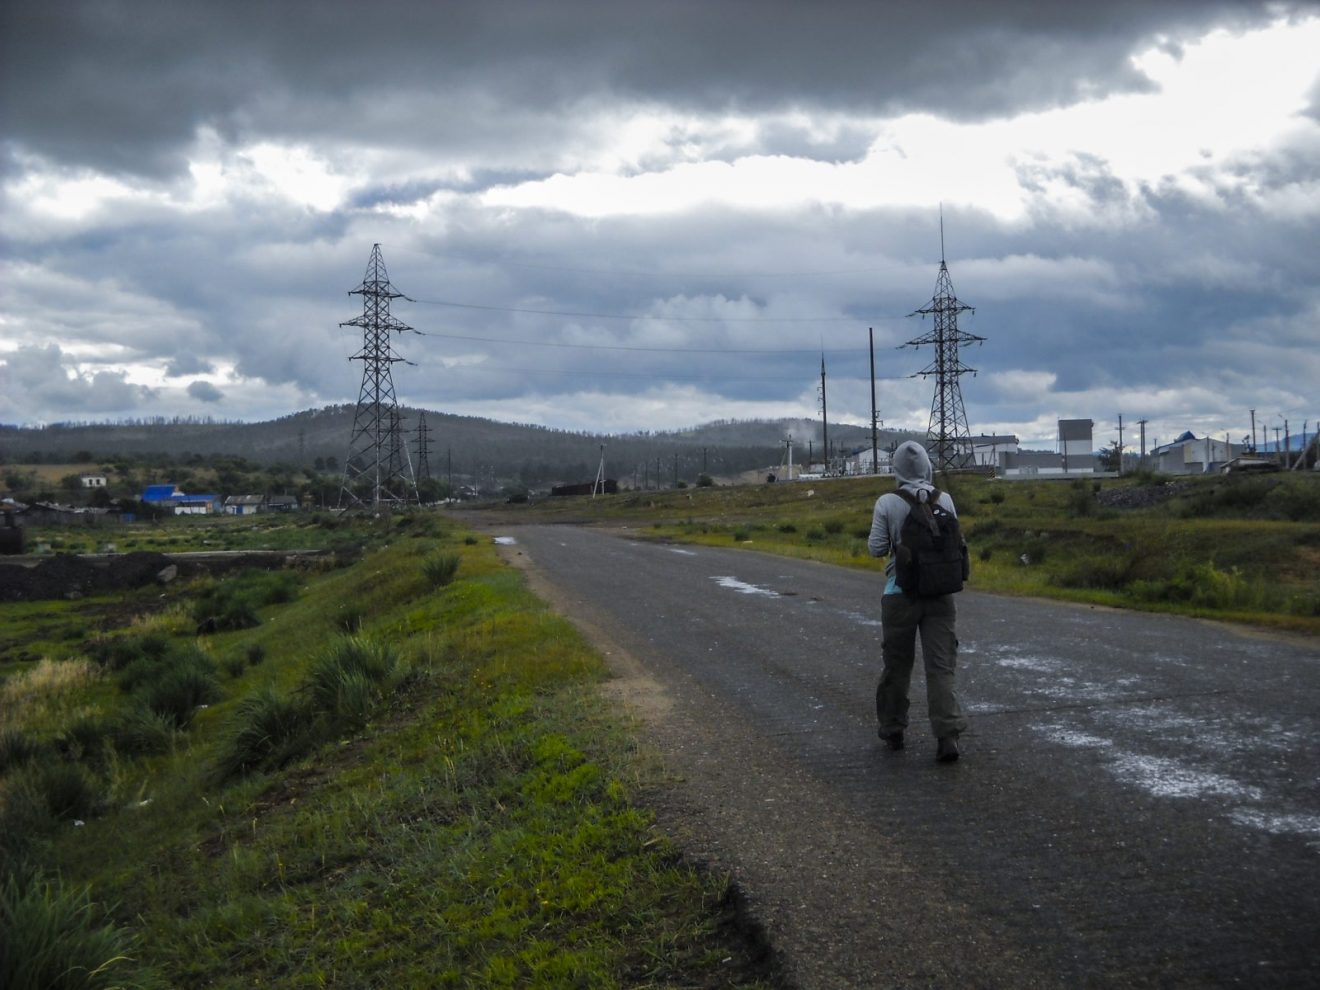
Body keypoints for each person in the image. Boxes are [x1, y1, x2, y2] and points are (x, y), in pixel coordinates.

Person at [868, 441, 967, 762]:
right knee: (941, 667)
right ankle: (947, 735)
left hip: (899, 596)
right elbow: (958, 544)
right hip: (941, 596)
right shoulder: (946, 499)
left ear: (896, 469)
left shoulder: (887, 501)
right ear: (926, 466)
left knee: (897, 666)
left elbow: (876, 548)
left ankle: (893, 729)